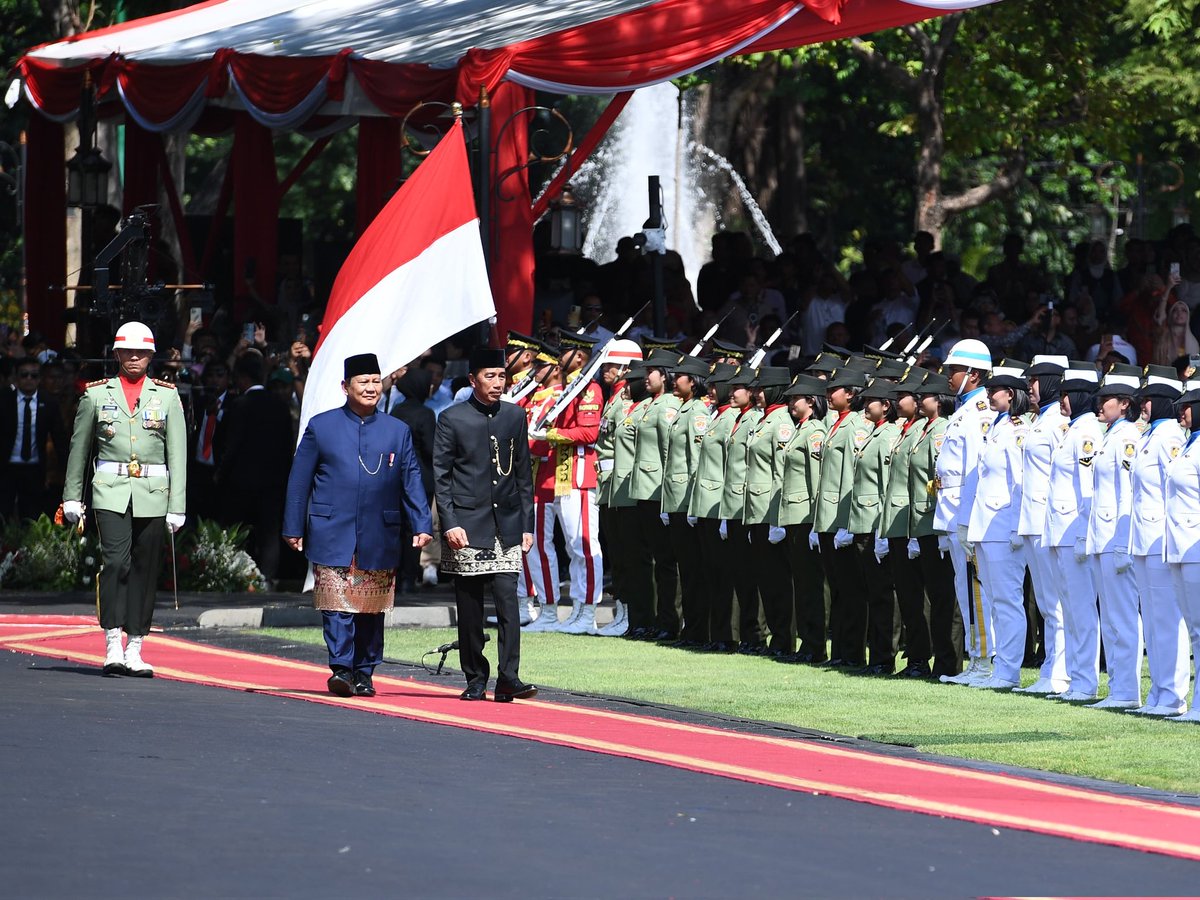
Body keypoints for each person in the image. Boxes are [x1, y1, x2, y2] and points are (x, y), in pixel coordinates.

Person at [283, 353, 433, 698]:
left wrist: (421, 523)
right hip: (331, 528)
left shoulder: (398, 430)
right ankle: (341, 669)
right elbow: (298, 481)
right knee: (336, 603)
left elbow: (411, 479)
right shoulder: (322, 426)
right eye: (363, 382)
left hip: (380, 530)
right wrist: (294, 526)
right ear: (345, 387)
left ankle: (364, 672)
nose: (370, 388)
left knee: (371, 607)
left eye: (375, 381)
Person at [61, 321, 187, 677]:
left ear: (151, 356)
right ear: (116, 354)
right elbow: (79, 449)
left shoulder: (167, 396)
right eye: (128, 351)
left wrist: (177, 504)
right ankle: (112, 640)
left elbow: (177, 453)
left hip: (153, 492)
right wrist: (72, 496)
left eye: (142, 352)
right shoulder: (96, 394)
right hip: (110, 490)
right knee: (116, 562)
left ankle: (136, 646)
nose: (134, 357)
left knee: (146, 570)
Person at [433, 347, 536, 702]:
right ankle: (476, 677)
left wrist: (527, 525)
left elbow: (524, 473)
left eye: (502, 376)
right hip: (466, 525)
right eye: (489, 376)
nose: (497, 383)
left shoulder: (515, 415)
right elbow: (441, 477)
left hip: (506, 524)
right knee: (471, 607)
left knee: (509, 602)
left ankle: (509, 677)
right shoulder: (452, 418)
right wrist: (448, 523)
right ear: (473, 379)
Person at [963, 361, 1031, 690]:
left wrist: (1019, 527)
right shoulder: (998, 425)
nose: (989, 395)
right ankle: (1000, 667)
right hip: (987, 525)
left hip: (1004, 525)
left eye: (995, 391)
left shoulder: (1018, 429)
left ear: (1011, 394)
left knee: (1007, 599)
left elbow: (1020, 481)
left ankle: (1008, 671)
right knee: (994, 598)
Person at [933, 338, 996, 686]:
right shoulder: (964, 410)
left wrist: (967, 522)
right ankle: (977, 660)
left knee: (975, 589)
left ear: (972, 374)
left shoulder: (978, 414)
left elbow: (975, 471)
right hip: (953, 510)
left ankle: (984, 661)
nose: (948, 375)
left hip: (965, 511)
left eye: (954, 370)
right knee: (964, 587)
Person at [1128, 366, 1189, 716]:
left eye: (1149, 400)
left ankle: (1172, 696)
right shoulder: (1151, 435)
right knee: (1152, 620)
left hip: (1161, 538)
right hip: (1144, 538)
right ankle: (1158, 694)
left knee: (1167, 620)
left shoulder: (1169, 439)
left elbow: (1174, 492)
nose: (1143, 405)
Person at [1083, 364, 1144, 710]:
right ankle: (1119, 687)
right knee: (1111, 616)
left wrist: (1123, 543)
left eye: (1107, 399)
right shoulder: (1110, 435)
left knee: (1121, 616)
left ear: (1124, 404)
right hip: (1102, 536)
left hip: (1115, 536)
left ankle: (1126, 690)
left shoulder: (1127, 438)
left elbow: (1128, 494)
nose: (1101, 404)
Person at [1043, 362, 1104, 702]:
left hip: (1074, 531)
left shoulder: (1086, 432)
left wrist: (1083, 535)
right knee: (1069, 608)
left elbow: (1087, 489)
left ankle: (1085, 682)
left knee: (1081, 610)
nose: (1062, 400)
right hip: (1060, 529)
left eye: (1068, 394)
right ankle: (1074, 679)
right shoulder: (1072, 428)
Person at [1013, 355, 1070, 695]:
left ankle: (1060, 671)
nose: (1029, 388)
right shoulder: (1040, 421)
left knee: (1055, 601)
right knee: (1048, 602)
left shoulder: (1056, 424)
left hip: (1048, 520)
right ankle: (1051, 667)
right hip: (1032, 520)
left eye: (1034, 380)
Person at [214, 352, 294, 587]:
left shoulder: (240, 405)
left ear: (241, 377)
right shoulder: (280, 406)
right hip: (273, 481)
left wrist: (221, 471)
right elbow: (288, 444)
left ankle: (237, 575)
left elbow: (233, 443)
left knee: (239, 530)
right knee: (270, 532)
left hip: (241, 481)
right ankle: (268, 578)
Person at [776, 374, 827, 662]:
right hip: (793, 515)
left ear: (810, 401)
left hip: (806, 515)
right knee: (802, 585)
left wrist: (816, 522)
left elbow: (816, 480)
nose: (791, 403)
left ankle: (814, 645)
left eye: (796, 398)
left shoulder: (814, 433)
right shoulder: (800, 430)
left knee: (810, 585)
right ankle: (807, 643)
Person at [1163, 383, 1200, 722]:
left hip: (1196, 545)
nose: (1182, 410)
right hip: (1179, 544)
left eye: (1190, 405)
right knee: (1193, 627)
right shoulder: (1189, 444)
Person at [0, 358, 67, 521]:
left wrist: (67, 470)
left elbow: (59, 439)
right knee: (3, 512)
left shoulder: (49, 402)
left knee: (31, 516)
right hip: (6, 466)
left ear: (40, 378)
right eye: (24, 375)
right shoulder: (3, 399)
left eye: (34, 375)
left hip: (34, 468)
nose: (29, 379)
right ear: (16, 377)